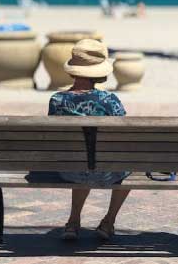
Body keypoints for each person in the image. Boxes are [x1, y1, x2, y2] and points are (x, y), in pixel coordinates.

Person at [48, 39, 130, 241]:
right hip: (106, 172)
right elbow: (125, 134)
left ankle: (73, 222)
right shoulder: (110, 101)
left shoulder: (56, 101)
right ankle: (109, 221)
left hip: (68, 171)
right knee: (131, 163)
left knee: (81, 157)